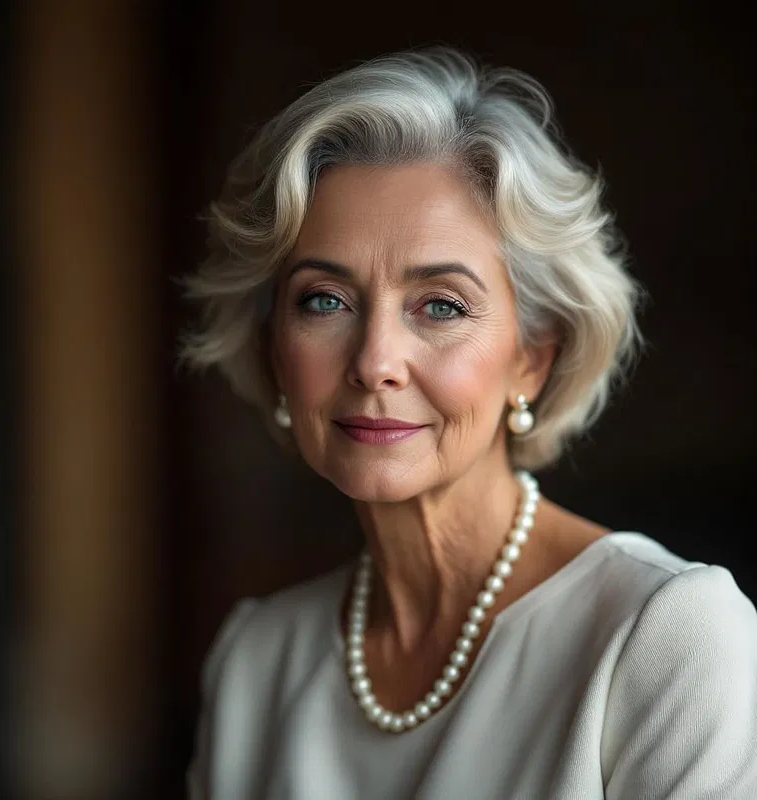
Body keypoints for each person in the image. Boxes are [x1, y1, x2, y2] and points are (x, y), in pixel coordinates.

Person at [181, 48, 757, 799]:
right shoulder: (257, 661)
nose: (375, 361)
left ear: (532, 360)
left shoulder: (665, 636)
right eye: (324, 299)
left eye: (441, 306)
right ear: (273, 348)